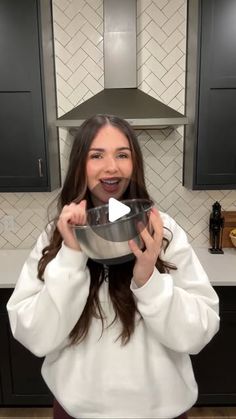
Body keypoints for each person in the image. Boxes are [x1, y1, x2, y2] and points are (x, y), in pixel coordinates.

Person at [7, 114, 219, 419]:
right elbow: (36, 336)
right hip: (78, 413)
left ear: (135, 164)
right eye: (97, 155)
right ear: (80, 164)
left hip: (162, 413)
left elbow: (200, 332)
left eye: (122, 154)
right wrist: (71, 256)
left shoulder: (163, 231)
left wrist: (149, 280)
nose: (112, 167)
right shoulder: (56, 236)